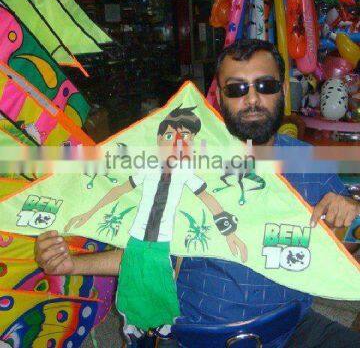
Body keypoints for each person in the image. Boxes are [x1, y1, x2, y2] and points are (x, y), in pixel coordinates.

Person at [35, 39, 360, 347]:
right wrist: (71, 265)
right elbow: (147, 254)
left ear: (283, 89)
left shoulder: (308, 162)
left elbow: (345, 240)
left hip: (292, 330)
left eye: (265, 85)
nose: (252, 99)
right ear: (219, 97)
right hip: (198, 337)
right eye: (237, 89)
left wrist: (352, 207)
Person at [63, 106, 247, 341]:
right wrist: (88, 213)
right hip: (137, 236)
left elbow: (208, 198)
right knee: (132, 280)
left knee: (162, 282)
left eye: (184, 138)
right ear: (159, 139)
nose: (175, 143)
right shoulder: (148, 167)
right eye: (169, 136)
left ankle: (164, 325)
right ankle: (134, 323)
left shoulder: (185, 171)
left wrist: (230, 232)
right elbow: (120, 189)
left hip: (162, 240)